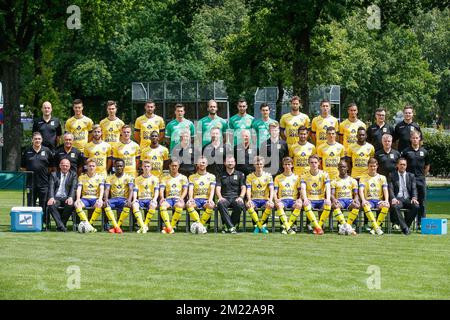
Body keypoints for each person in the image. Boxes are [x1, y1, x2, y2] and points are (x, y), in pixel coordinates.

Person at [401, 130, 430, 230]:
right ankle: (407, 223)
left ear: (420, 139)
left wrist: (423, 176)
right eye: (413, 138)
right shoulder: (405, 152)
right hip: (409, 181)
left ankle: (421, 224)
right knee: (408, 202)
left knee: (422, 202)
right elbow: (402, 165)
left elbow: (427, 166)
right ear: (410, 139)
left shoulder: (424, 152)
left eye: (417, 138)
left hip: (421, 180)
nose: (415, 139)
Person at [21, 132, 53, 215]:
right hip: (30, 183)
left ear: (42, 140)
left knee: (44, 204)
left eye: (39, 139)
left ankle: (44, 223)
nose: (37, 140)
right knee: (30, 203)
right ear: (32, 140)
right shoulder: (27, 151)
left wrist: (44, 173)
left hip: (44, 183)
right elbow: (23, 167)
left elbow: (51, 167)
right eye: (35, 139)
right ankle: (30, 223)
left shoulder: (47, 151)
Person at [300, 155, 331, 235]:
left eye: (315, 162)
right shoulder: (304, 175)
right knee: (306, 205)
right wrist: (305, 199)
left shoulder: (324, 174)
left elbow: (328, 187)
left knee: (328, 205)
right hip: (311, 199)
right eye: (311, 162)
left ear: (319, 163)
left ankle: (318, 227)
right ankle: (318, 227)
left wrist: (328, 199)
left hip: (321, 199)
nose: (314, 164)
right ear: (308, 164)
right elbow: (303, 188)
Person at [388, 158, 420, 235]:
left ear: (406, 166)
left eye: (404, 164)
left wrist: (414, 197)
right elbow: (390, 188)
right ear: (397, 165)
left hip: (408, 198)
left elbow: (414, 188)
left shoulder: (411, 176)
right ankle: (405, 228)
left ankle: (404, 226)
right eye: (401, 164)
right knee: (395, 206)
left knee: (416, 206)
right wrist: (393, 198)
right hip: (398, 198)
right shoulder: (392, 175)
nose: (402, 166)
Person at [358, 158, 389, 235]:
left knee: (386, 206)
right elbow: (361, 190)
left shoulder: (382, 177)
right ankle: (377, 227)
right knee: (366, 205)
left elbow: (385, 190)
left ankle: (375, 227)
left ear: (377, 166)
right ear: (368, 166)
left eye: (374, 166)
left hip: (379, 200)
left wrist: (386, 200)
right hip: (369, 200)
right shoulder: (363, 177)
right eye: (371, 166)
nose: (372, 168)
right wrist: (363, 200)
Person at [216, 156, 246, 234]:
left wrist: (241, 197)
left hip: (236, 197)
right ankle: (232, 227)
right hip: (225, 197)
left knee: (239, 204)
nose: (230, 163)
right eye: (228, 162)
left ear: (235, 163)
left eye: (232, 161)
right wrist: (220, 197)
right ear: (224, 163)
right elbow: (218, 188)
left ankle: (228, 226)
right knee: (220, 203)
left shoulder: (240, 174)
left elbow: (243, 187)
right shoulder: (220, 175)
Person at [103, 159, 135, 234]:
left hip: (124, 199)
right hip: (113, 199)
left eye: (120, 166)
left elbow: (131, 189)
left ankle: (117, 226)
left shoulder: (129, 177)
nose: (119, 167)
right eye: (117, 166)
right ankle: (110, 225)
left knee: (127, 205)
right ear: (114, 166)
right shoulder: (109, 177)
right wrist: (106, 199)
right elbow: (107, 189)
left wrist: (129, 200)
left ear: (124, 167)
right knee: (105, 204)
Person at [186, 157, 216, 232]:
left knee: (211, 205)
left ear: (207, 164)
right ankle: (201, 225)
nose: (202, 164)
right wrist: (190, 198)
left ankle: (200, 225)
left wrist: (210, 199)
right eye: (200, 162)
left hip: (206, 199)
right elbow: (190, 189)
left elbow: (212, 189)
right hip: (196, 199)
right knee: (189, 204)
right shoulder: (192, 177)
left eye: (203, 162)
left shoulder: (212, 176)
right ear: (197, 164)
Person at [245, 156, 274, 234]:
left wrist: (271, 200)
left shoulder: (268, 175)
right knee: (249, 205)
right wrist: (249, 200)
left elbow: (271, 189)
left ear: (263, 164)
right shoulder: (249, 176)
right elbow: (248, 189)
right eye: (257, 164)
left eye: (261, 164)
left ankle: (261, 226)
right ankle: (258, 226)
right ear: (254, 165)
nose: (259, 165)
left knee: (270, 205)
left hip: (265, 199)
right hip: (254, 199)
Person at [47, 159, 78, 232]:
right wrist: (51, 197)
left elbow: (73, 187)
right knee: (51, 205)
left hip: (66, 197)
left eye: (67, 166)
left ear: (69, 166)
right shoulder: (53, 174)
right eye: (63, 165)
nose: (65, 167)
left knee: (70, 205)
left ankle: (61, 225)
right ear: (60, 166)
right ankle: (61, 225)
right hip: (56, 197)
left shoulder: (73, 174)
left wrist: (70, 197)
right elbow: (51, 187)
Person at [74, 159, 105, 231]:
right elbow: (79, 188)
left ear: (96, 167)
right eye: (90, 166)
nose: (91, 167)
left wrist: (100, 198)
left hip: (95, 198)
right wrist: (78, 199)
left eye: (93, 166)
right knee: (76, 204)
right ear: (86, 167)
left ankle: (89, 225)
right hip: (85, 198)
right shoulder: (82, 177)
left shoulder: (100, 177)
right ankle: (89, 225)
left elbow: (102, 188)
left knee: (100, 204)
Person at [159, 159, 189, 233]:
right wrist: (162, 197)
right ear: (169, 166)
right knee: (162, 205)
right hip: (168, 198)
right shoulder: (164, 178)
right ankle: (169, 227)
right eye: (172, 166)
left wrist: (181, 198)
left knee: (179, 205)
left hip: (178, 198)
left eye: (175, 166)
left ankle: (170, 227)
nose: (174, 167)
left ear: (178, 167)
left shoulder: (183, 177)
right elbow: (162, 189)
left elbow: (185, 190)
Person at [330, 160, 360, 234]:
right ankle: (344, 225)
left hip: (349, 200)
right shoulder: (334, 180)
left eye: (344, 167)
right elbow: (332, 194)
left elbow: (356, 194)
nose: (342, 168)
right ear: (338, 168)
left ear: (347, 168)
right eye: (340, 167)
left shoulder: (352, 180)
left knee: (356, 205)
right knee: (335, 205)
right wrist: (334, 199)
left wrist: (356, 199)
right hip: (340, 200)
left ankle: (347, 225)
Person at [273, 157, 301, 234]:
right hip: (282, 199)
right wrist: (275, 199)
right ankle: (287, 227)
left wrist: (300, 199)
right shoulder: (278, 177)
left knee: (298, 205)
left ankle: (287, 227)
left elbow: (300, 191)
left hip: (293, 200)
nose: (287, 166)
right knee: (279, 205)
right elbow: (274, 191)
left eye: (289, 164)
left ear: (292, 165)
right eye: (285, 164)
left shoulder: (297, 177)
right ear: (283, 165)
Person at [132, 160, 159, 233]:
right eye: (145, 166)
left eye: (148, 166)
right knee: (134, 205)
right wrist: (134, 199)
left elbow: (156, 190)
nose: (146, 168)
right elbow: (135, 191)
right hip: (141, 199)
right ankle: (143, 226)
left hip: (150, 199)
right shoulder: (137, 179)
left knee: (153, 205)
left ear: (151, 167)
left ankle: (145, 225)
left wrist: (155, 199)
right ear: (142, 167)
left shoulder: (155, 179)